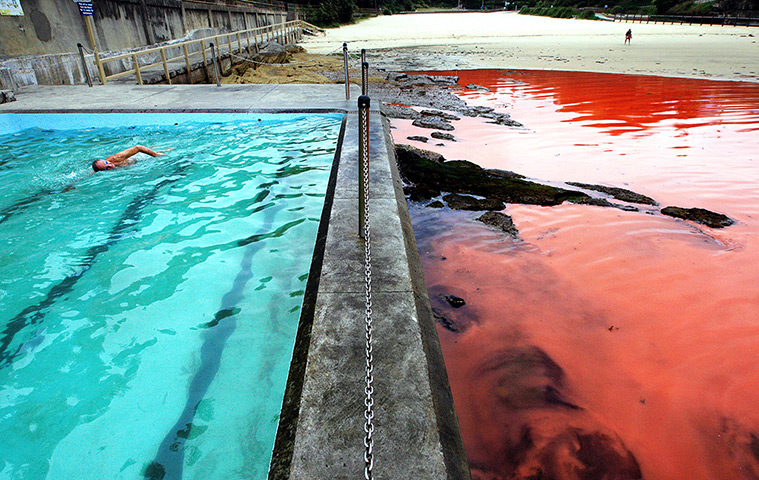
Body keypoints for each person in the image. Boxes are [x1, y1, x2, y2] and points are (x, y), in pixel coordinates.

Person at [91, 145, 162, 172]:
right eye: (107, 168)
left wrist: (155, 155)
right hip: (133, 162)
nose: (110, 165)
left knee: (165, 151)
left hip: (140, 156)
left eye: (106, 163)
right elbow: (94, 171)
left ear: (105, 160)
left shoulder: (117, 158)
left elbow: (138, 147)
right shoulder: (100, 167)